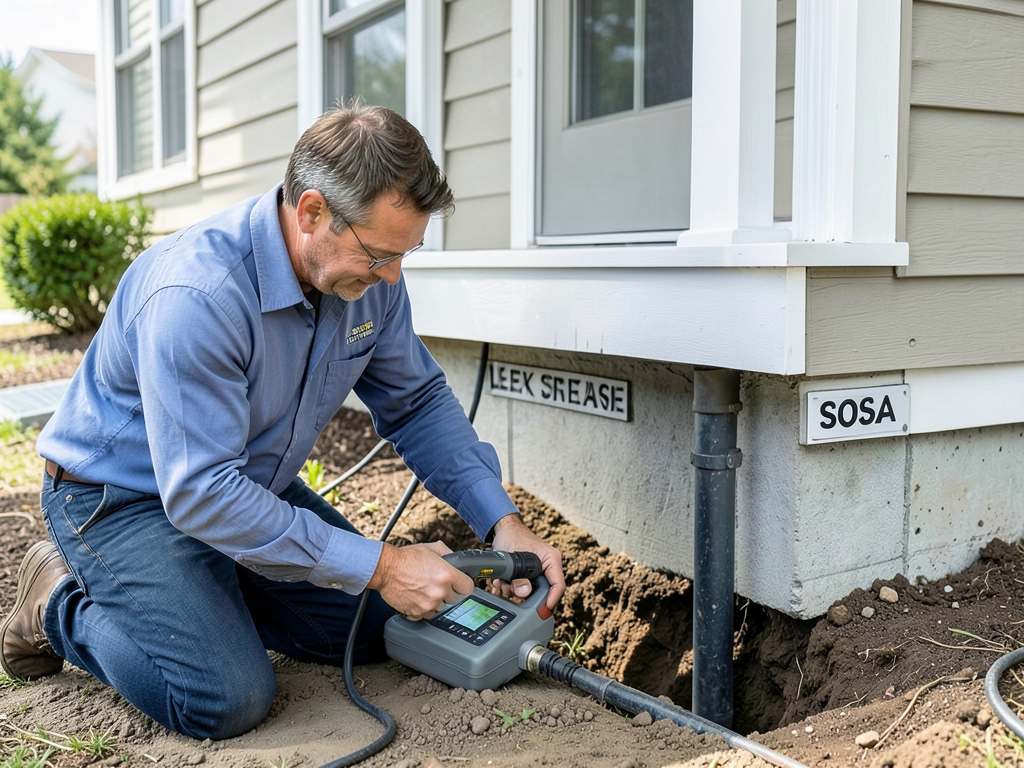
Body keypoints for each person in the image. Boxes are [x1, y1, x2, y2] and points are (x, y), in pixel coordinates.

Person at [0, 104, 565, 740]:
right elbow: (201, 492)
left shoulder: (367, 280)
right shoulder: (199, 296)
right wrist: (381, 565)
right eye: (379, 253)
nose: (392, 276)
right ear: (311, 212)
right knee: (226, 698)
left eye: (406, 253)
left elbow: (417, 403)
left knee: (377, 629)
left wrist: (503, 521)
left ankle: (207, 597)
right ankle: (56, 605)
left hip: (242, 486)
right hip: (122, 498)